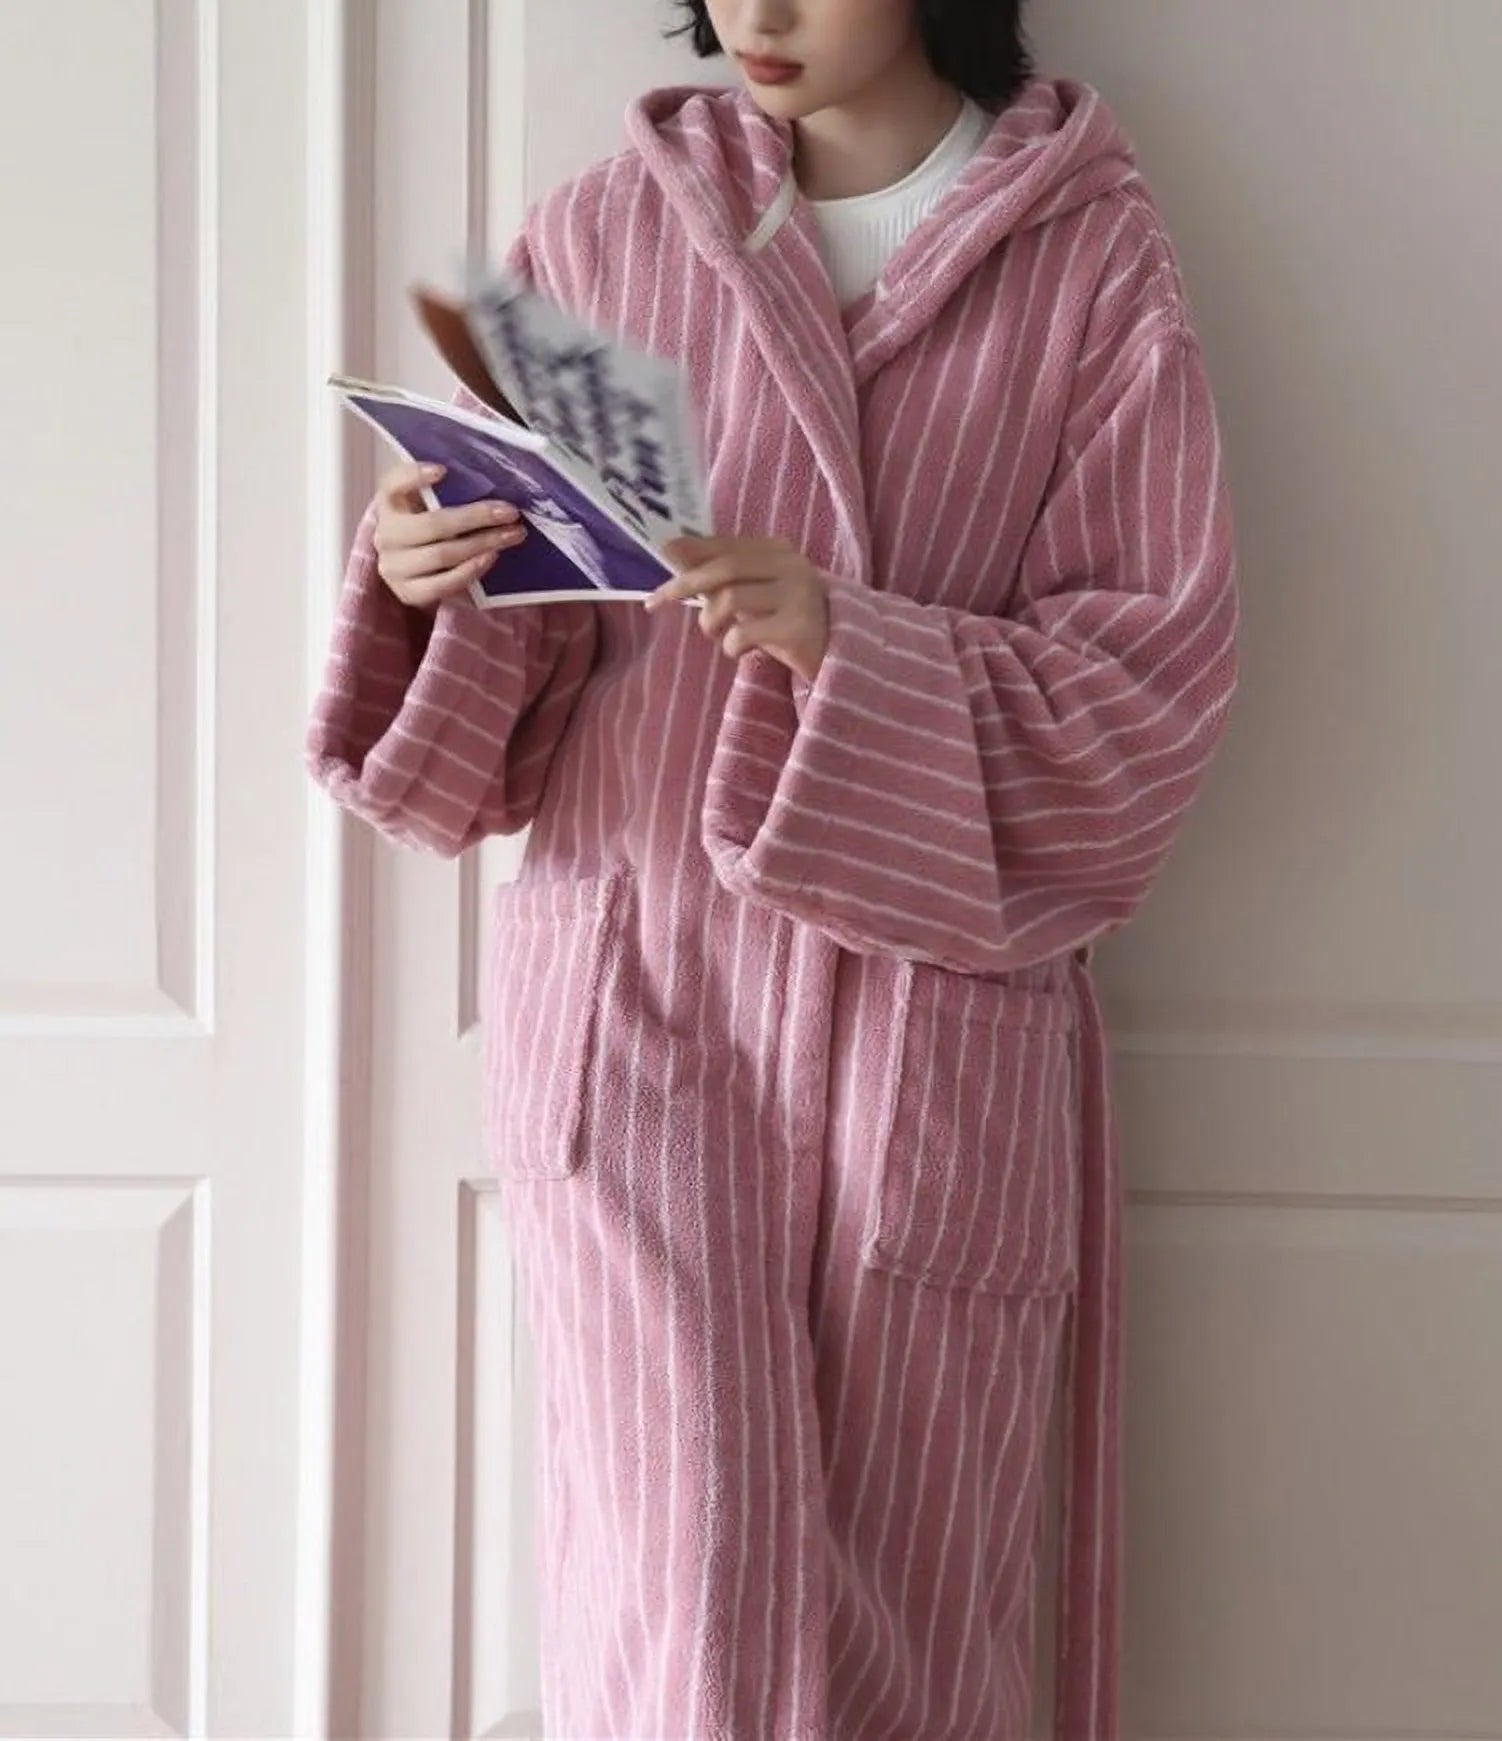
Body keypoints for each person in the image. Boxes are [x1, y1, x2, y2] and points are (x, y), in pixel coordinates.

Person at [306, 0, 1240, 1735]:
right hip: (644, 1001)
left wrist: (852, 647)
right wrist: (430, 571)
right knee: (685, 1609)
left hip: (925, 1039)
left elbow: (1147, 688)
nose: (762, 11)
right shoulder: (599, 238)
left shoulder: (1089, 263)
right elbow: (522, 667)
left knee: (907, 1616)